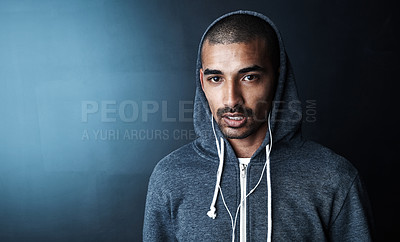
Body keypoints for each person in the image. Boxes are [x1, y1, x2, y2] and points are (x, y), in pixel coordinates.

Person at [143, 10, 373, 241]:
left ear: (277, 78)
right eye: (216, 79)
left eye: (249, 77)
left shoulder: (333, 177)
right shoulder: (170, 176)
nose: (232, 99)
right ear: (203, 82)